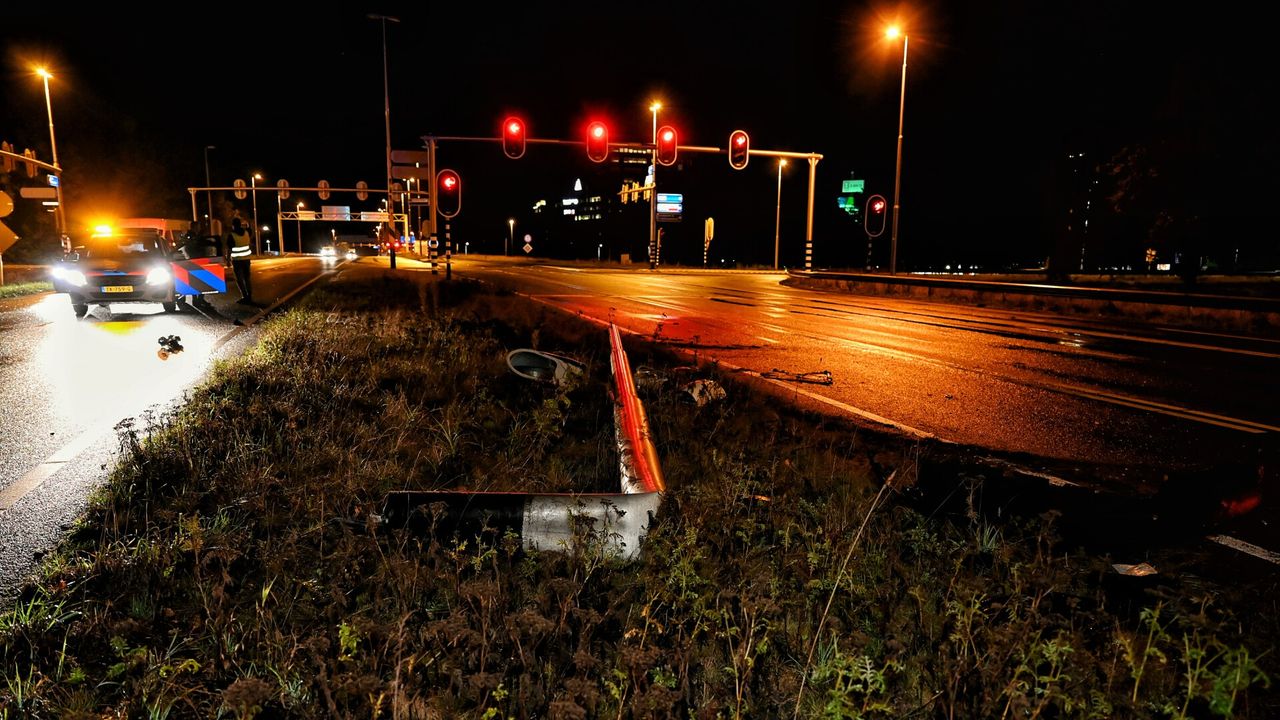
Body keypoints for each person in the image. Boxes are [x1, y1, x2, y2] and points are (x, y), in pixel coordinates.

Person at [226, 217, 254, 305]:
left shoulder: (232, 235)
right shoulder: (247, 232)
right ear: (240, 224)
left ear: (233, 225)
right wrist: (247, 223)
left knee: (239, 279)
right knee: (247, 278)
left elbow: (229, 249)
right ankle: (249, 296)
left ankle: (244, 296)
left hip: (237, 261)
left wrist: (227, 260)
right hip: (246, 260)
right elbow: (250, 228)